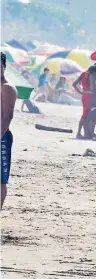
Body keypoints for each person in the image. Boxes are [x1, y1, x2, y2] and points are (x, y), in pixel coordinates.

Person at [1, 52, 17, 209]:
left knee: (0, 180)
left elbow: (7, 116)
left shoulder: (7, 88)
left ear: (4, 67)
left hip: (2, 137)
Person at [73, 66, 94, 138]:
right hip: (89, 96)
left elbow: (74, 84)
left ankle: (82, 133)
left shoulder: (83, 74)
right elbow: (92, 87)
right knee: (85, 115)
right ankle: (78, 133)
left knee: (85, 114)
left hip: (84, 95)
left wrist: (80, 92)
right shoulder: (91, 75)